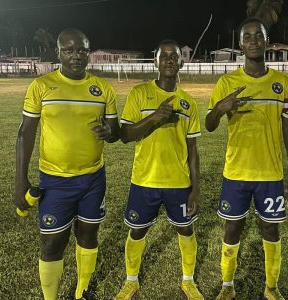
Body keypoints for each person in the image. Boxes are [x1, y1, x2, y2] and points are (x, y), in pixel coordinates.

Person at [14, 28, 120, 300]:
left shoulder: (102, 88)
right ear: (58, 53)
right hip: (55, 180)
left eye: (82, 50)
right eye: (69, 50)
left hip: (93, 178)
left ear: (89, 52)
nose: (76, 56)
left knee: (88, 235)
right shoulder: (42, 86)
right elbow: (26, 132)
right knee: (52, 243)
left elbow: (114, 131)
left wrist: (111, 133)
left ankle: (82, 291)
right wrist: (20, 179)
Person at [205, 17, 288, 300]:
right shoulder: (227, 82)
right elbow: (209, 124)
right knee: (233, 227)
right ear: (240, 44)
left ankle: (271, 288)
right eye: (248, 36)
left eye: (260, 35)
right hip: (237, 172)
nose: (254, 40)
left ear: (267, 41)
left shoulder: (282, 82)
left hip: (270, 174)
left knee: (270, 228)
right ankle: (227, 286)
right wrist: (220, 108)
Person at [115, 39, 203, 300]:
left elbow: (193, 151)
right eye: (163, 56)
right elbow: (125, 135)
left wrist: (195, 191)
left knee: (185, 229)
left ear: (181, 63)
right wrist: (155, 117)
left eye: (174, 56)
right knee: (137, 230)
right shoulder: (139, 94)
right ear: (155, 61)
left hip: (179, 183)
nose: (169, 60)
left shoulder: (188, 103)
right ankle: (131, 281)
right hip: (145, 180)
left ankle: (188, 281)